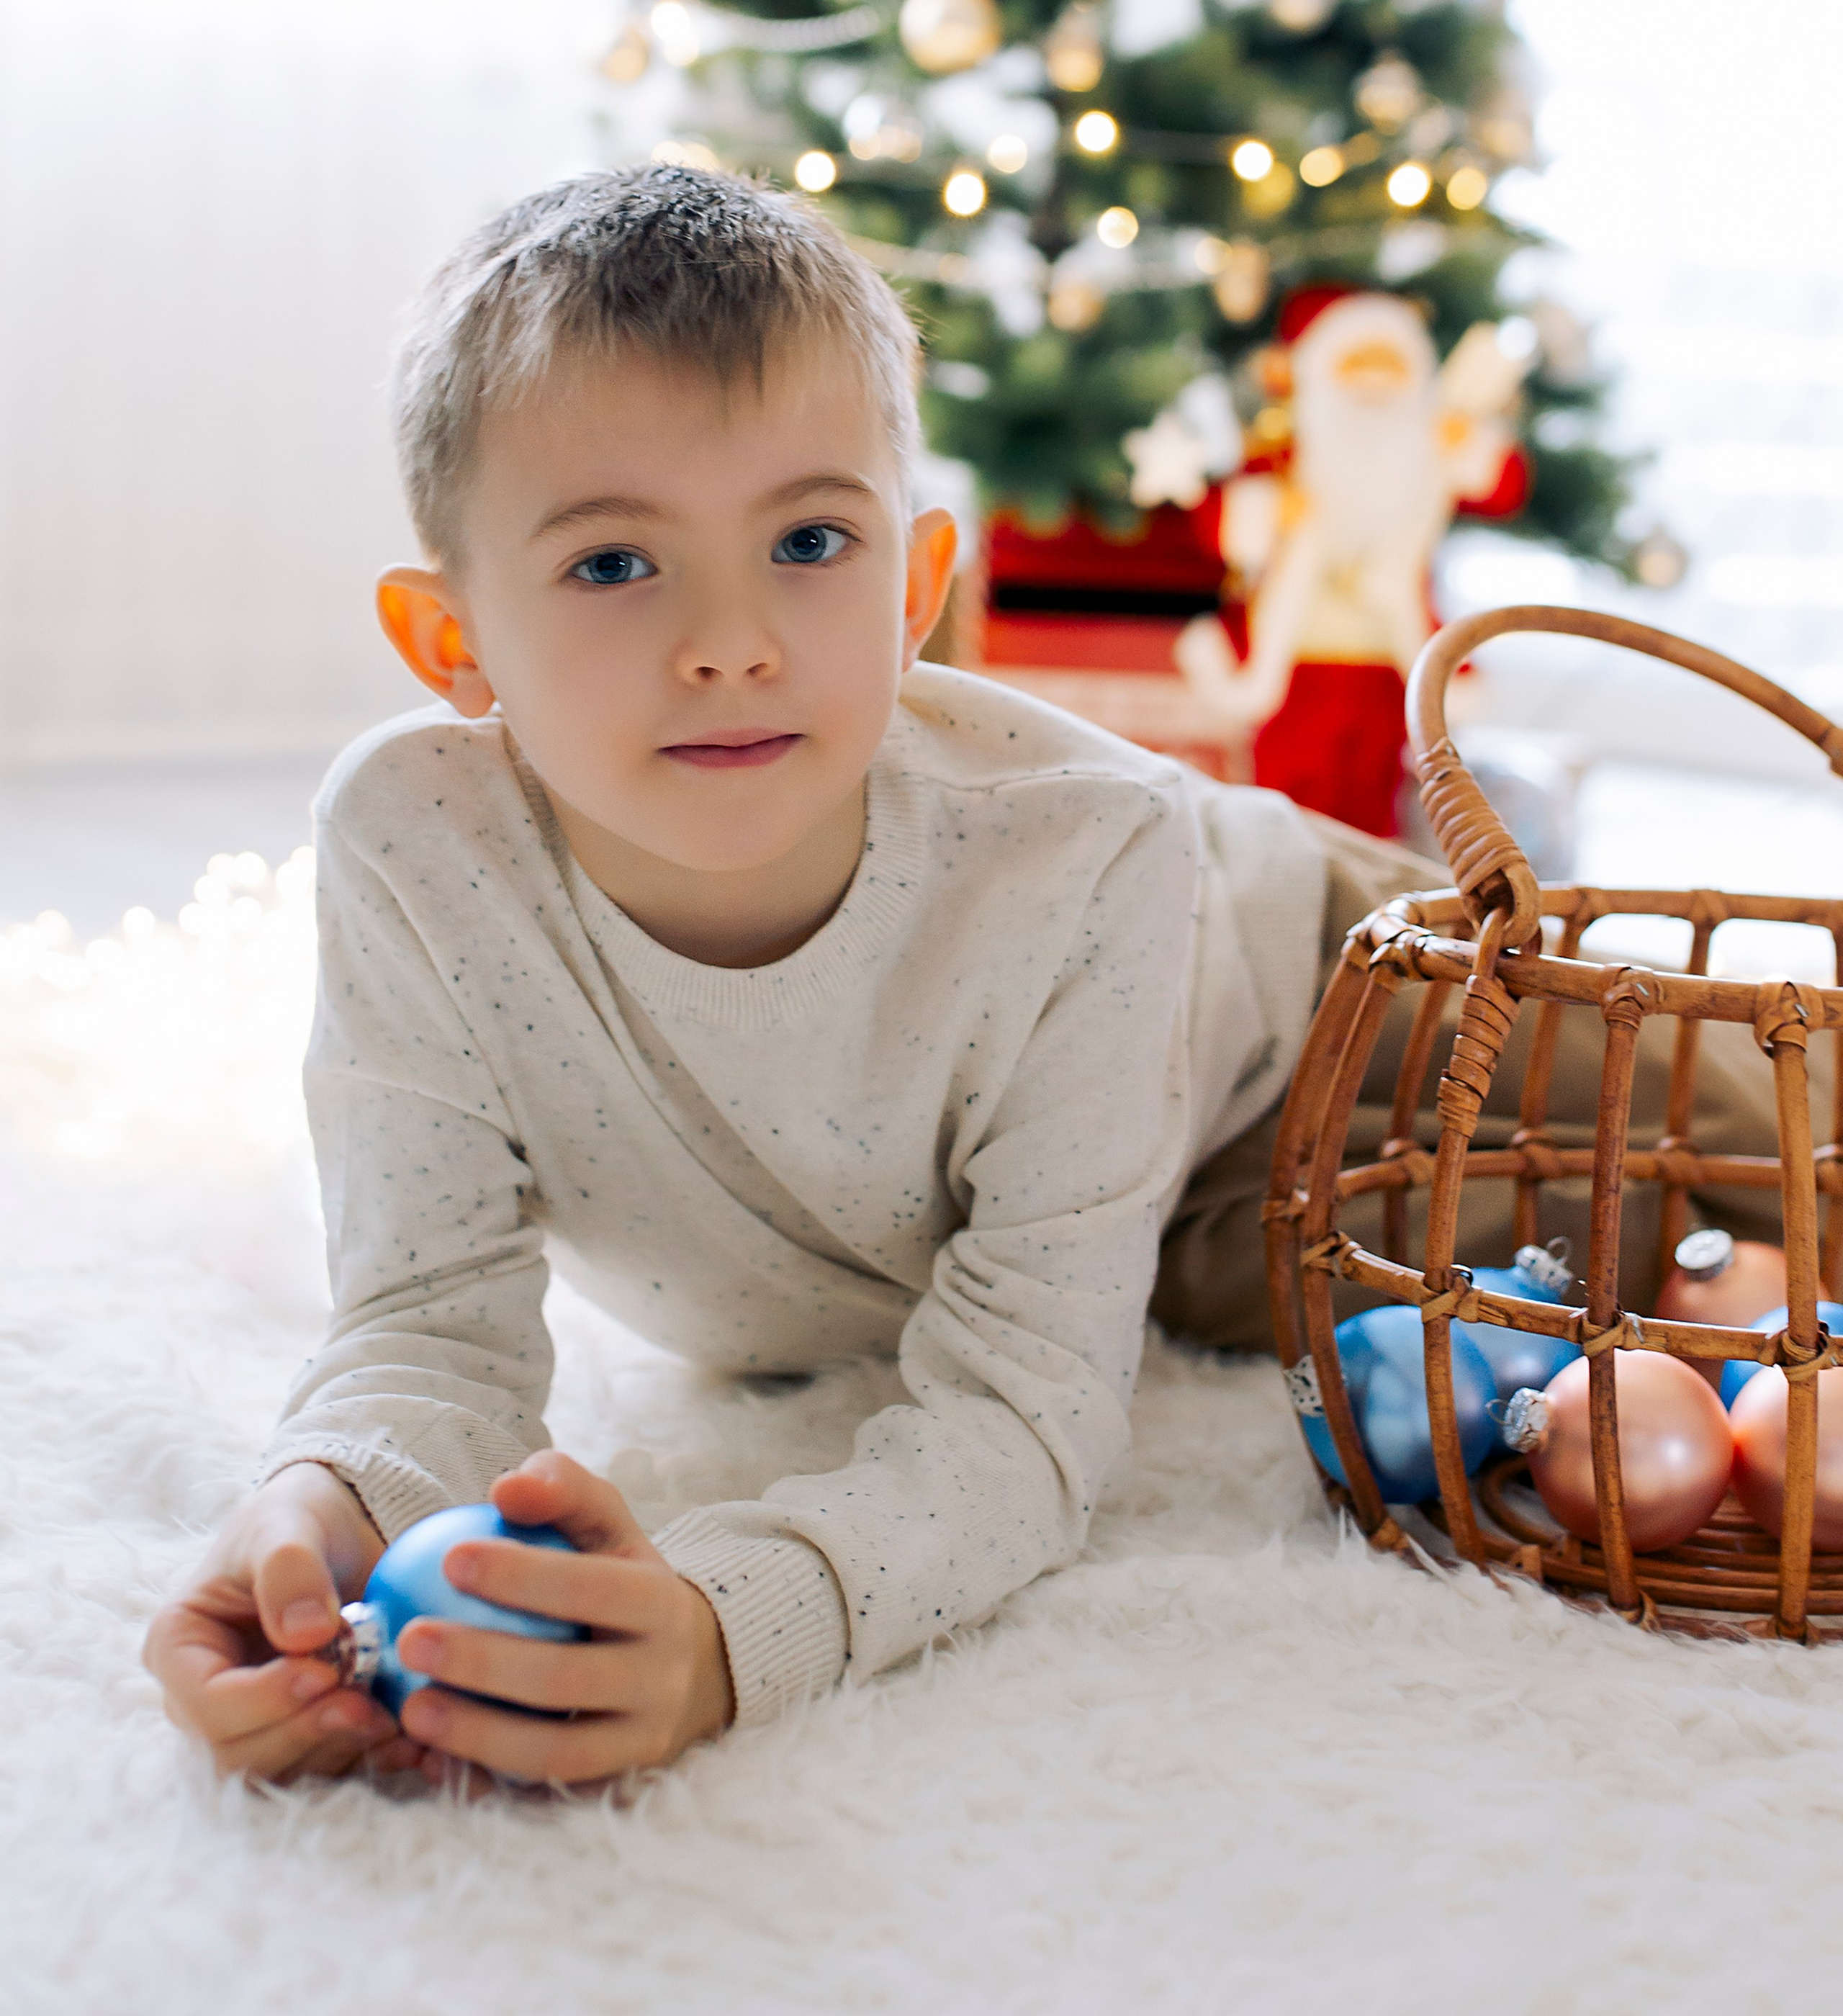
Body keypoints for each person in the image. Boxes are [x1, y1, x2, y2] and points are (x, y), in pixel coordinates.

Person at [143, 166, 1781, 1791]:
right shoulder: (415, 846)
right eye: (613, 565)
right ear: (450, 648)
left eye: (806, 539)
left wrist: (736, 1624)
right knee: (1539, 1314)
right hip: (1127, 1225)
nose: (734, 639)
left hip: (1337, 1010)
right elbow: (429, 1320)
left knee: (1773, 1149)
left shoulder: (1080, 853)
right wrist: (320, 1511)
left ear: (916, 588)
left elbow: (1016, 1426)